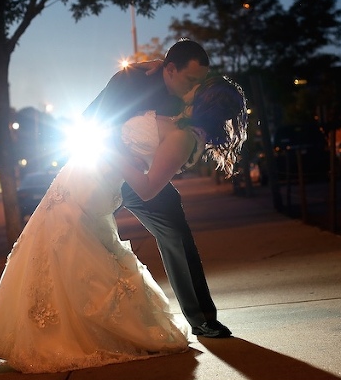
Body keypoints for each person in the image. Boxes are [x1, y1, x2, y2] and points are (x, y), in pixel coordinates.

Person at [0, 74, 248, 374]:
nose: (193, 84)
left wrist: (110, 149)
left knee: (68, 246)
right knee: (50, 246)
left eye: (200, 85)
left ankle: (72, 332)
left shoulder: (184, 138)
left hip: (94, 187)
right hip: (78, 177)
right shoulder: (176, 119)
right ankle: (45, 327)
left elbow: (147, 188)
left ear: (204, 99)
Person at [83, 39, 234, 338]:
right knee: (79, 241)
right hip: (103, 170)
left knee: (176, 229)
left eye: (200, 81)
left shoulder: (185, 100)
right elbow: (91, 122)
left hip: (143, 177)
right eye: (191, 79)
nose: (195, 87)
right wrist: (120, 157)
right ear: (170, 69)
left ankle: (202, 318)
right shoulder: (132, 81)